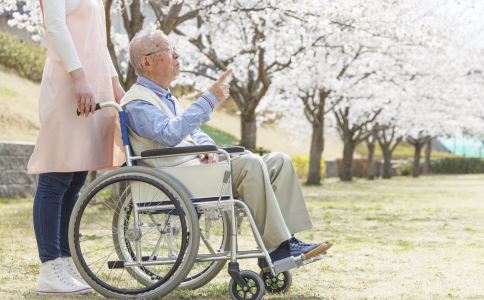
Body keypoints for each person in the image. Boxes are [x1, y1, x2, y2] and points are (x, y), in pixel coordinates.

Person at [121, 28, 332, 268]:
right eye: (169, 50)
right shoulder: (138, 102)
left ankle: (287, 242)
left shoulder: (165, 96)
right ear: (147, 61)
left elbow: (192, 131)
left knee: (279, 161)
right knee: (250, 164)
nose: (177, 55)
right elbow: (170, 134)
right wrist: (209, 99)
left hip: (196, 170)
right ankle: (278, 248)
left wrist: (206, 146)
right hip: (176, 179)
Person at [27, 0, 125, 295]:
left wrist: (114, 82)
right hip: (69, 84)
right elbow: (55, 26)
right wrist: (79, 77)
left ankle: (65, 260)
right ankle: (49, 266)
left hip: (92, 85)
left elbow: (99, 40)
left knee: (76, 177)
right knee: (57, 174)